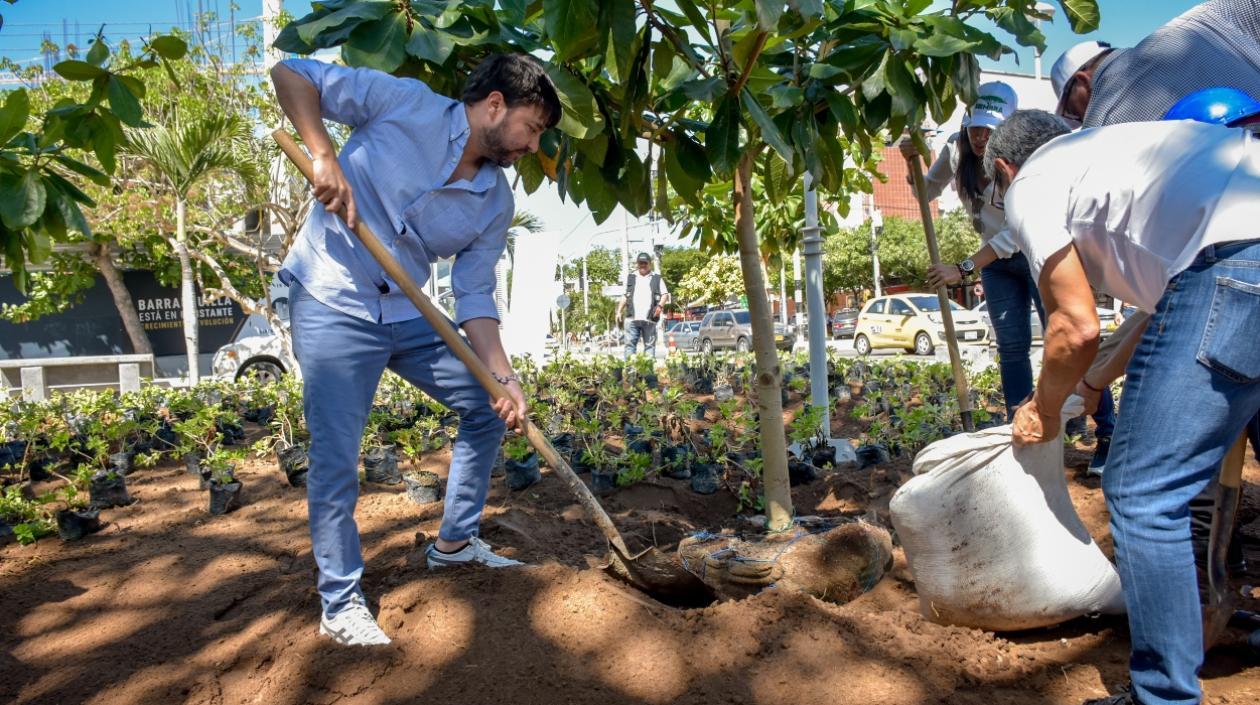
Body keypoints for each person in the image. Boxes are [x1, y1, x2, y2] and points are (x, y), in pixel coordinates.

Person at [271, 53, 560, 646]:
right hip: (332, 298)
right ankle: (341, 602)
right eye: (531, 129)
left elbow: (475, 293)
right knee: (335, 455)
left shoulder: (494, 202)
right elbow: (290, 73)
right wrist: (324, 156)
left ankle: (454, 545)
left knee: (485, 406)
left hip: (408, 311)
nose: (532, 146)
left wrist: (502, 377)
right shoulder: (403, 102)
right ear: (496, 105)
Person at [986, 109, 1260, 705]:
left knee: (1143, 492)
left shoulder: (1033, 184)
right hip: (1237, 262)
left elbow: (1075, 325)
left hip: (1236, 265)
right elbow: (1164, 311)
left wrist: (1043, 407)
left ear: (1005, 169)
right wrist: (1090, 388)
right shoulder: (1124, 156)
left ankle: (1162, 697)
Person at [902, 81, 1115, 474]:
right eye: (975, 128)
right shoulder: (956, 149)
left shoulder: (1022, 151)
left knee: (1071, 341)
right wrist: (911, 160)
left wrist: (964, 269)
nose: (982, 137)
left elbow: (1016, 232)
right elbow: (924, 192)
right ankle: (1022, 433)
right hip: (997, 263)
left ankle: (1107, 434)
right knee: (1011, 348)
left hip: (1039, 250)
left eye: (990, 129)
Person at [1051, 0, 1260, 129]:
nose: (1080, 118)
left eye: (1072, 112)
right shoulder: (1208, 21)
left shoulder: (1101, 129)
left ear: (1083, 81)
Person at [616, 252, 670, 359]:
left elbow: (665, 294)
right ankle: (630, 373)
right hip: (632, 319)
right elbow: (625, 296)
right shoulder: (631, 277)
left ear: (649, 264)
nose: (643, 265)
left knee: (649, 347)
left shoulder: (657, 278)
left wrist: (659, 307)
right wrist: (619, 311)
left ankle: (648, 374)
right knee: (629, 346)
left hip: (649, 319)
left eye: (645, 263)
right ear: (637, 264)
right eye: (641, 263)